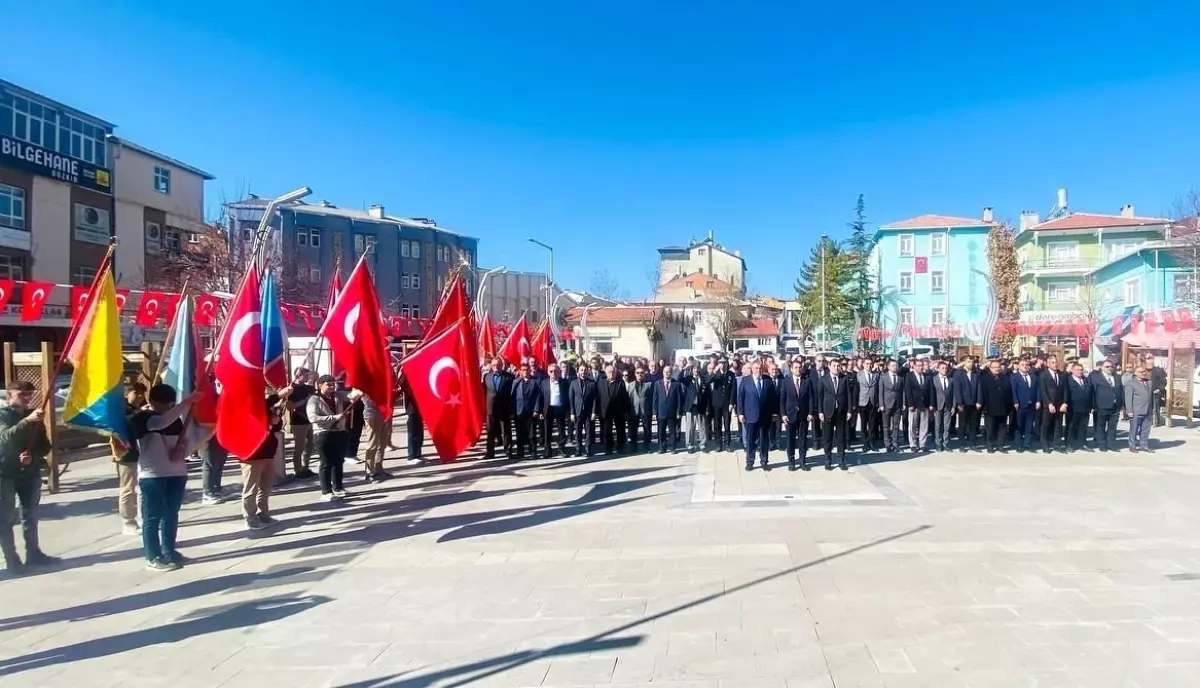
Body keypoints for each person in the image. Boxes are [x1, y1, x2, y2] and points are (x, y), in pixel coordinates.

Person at [130, 383, 196, 571]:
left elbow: (185, 439)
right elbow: (160, 423)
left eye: (170, 404)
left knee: (171, 514)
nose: (167, 407)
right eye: (163, 403)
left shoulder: (174, 419)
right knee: (152, 517)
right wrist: (186, 403)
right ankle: (153, 555)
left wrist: (183, 449)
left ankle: (169, 551)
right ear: (152, 402)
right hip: (153, 475)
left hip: (176, 472)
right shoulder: (143, 418)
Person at [0, 381, 53, 576]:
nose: (27, 398)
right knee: (5, 519)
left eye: (30, 394)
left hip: (29, 473)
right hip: (5, 473)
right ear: (9, 396)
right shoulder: (3, 415)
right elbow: (5, 438)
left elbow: (45, 445)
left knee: (30, 515)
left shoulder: (33, 416)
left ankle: (34, 553)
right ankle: (11, 559)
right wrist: (27, 421)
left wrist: (34, 455)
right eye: (22, 394)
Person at [242, 391, 291, 530]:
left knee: (266, 486)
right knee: (251, 487)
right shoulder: (248, 408)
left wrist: (274, 419)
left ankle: (263, 514)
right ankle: (250, 517)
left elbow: (275, 427)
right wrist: (279, 395)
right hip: (252, 454)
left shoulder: (267, 408)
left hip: (268, 452)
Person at [307, 375, 357, 501]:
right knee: (326, 463)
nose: (331, 387)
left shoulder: (337, 396)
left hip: (339, 432)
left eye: (332, 384)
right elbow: (313, 418)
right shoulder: (314, 399)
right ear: (320, 385)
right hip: (323, 433)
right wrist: (334, 418)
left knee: (339, 461)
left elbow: (352, 395)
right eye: (328, 385)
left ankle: (338, 487)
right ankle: (326, 491)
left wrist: (360, 388)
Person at [114, 382, 147, 535]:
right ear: (127, 394)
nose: (140, 396)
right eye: (136, 393)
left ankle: (142, 517)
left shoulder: (137, 409)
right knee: (128, 488)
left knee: (141, 487)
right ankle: (128, 522)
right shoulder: (122, 409)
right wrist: (138, 413)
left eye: (142, 393)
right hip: (126, 452)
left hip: (142, 451)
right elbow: (120, 423)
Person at [736, 360, 775, 471]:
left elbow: (773, 398)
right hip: (750, 415)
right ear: (752, 369)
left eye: (760, 368)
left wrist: (774, 413)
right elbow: (740, 398)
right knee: (751, 440)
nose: (758, 370)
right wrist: (740, 413)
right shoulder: (745, 381)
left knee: (764, 440)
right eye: (756, 368)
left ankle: (764, 461)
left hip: (765, 416)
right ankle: (750, 461)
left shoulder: (768, 380)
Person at [817, 359, 854, 470]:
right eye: (834, 365)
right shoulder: (823, 380)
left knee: (841, 438)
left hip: (841, 413)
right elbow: (820, 397)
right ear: (829, 366)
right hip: (828, 412)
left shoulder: (844, 379)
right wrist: (820, 412)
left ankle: (841, 460)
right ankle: (828, 459)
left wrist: (849, 411)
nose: (836, 368)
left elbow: (848, 395)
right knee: (827, 438)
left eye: (838, 366)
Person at [781, 360, 815, 470]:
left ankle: (802, 461)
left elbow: (811, 398)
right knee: (790, 439)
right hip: (790, 415)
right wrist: (783, 414)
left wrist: (810, 413)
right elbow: (782, 399)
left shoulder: (807, 381)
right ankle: (791, 461)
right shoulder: (786, 382)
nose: (798, 369)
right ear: (791, 369)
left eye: (800, 367)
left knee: (803, 439)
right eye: (796, 367)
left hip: (803, 415)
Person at [287, 368, 317, 480]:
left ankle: (306, 468)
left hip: (310, 419)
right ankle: (298, 470)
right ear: (299, 375)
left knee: (310, 445)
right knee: (299, 447)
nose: (308, 377)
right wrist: (305, 400)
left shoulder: (309, 388)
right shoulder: (291, 389)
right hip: (299, 420)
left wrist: (316, 379)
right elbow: (290, 407)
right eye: (306, 375)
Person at [482, 357, 514, 459]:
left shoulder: (509, 377)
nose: (496, 367)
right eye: (494, 365)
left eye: (498, 365)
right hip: (491, 409)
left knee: (506, 431)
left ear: (502, 366)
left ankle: (508, 451)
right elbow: (483, 392)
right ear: (491, 365)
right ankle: (490, 452)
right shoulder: (487, 377)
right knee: (490, 431)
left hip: (504, 408)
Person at [979, 360, 1013, 453]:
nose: (997, 369)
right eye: (995, 367)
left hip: (1003, 407)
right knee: (990, 428)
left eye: (998, 367)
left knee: (1002, 427)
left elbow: (1009, 391)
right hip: (990, 407)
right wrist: (982, 406)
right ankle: (990, 445)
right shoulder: (985, 378)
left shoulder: (1005, 378)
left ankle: (1000, 445)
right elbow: (982, 393)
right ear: (990, 368)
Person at [1089, 360, 1123, 452]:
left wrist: (1122, 404)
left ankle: (1111, 444)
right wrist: (1093, 405)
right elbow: (1092, 392)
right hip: (1101, 405)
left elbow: (1121, 391)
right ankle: (1102, 444)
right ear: (1102, 368)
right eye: (1107, 367)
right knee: (1101, 426)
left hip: (1115, 406)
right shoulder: (1095, 377)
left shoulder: (1117, 377)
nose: (1109, 368)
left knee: (1112, 427)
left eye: (1111, 366)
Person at [1037, 356, 1069, 454]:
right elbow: (1043, 391)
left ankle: (1057, 444)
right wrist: (1049, 403)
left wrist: (1065, 403)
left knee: (1058, 425)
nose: (1055, 364)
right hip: (1048, 405)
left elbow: (1065, 390)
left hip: (1059, 404)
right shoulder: (1043, 375)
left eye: (1056, 362)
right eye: (1053, 362)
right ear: (1048, 364)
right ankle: (1045, 444)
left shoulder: (1061, 375)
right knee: (1045, 425)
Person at [511, 362, 542, 459]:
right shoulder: (516, 382)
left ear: (530, 370)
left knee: (532, 433)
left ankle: (533, 451)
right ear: (520, 371)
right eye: (523, 370)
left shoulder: (535, 381)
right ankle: (520, 452)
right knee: (519, 433)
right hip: (519, 411)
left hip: (531, 411)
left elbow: (538, 397)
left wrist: (536, 410)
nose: (525, 372)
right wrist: (512, 412)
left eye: (527, 370)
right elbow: (512, 397)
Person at [539, 364, 570, 458]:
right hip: (549, 409)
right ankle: (547, 451)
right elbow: (540, 398)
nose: (553, 373)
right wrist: (540, 411)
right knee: (547, 431)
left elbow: (568, 397)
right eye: (551, 371)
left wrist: (569, 411)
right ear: (548, 372)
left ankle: (561, 449)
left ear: (559, 372)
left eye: (556, 371)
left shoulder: (564, 383)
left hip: (560, 409)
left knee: (561, 430)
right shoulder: (544, 383)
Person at [597, 363, 629, 454]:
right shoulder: (601, 383)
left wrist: (626, 411)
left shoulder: (620, 383)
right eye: (609, 372)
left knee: (620, 430)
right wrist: (597, 411)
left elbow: (625, 398)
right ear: (606, 373)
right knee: (607, 430)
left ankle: (620, 447)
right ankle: (608, 448)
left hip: (618, 411)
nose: (611, 374)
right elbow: (598, 397)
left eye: (613, 372)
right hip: (606, 411)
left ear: (616, 373)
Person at [568, 363, 599, 457]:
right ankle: (578, 449)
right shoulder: (573, 383)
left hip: (589, 412)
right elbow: (571, 399)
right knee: (578, 432)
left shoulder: (592, 383)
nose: (583, 372)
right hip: (577, 411)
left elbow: (595, 398)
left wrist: (594, 412)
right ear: (578, 371)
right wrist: (572, 413)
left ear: (588, 371)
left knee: (588, 432)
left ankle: (588, 449)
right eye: (581, 370)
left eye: (585, 370)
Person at [952, 357, 983, 452]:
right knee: (962, 424)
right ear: (963, 363)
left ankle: (973, 443)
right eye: (968, 362)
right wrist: (960, 403)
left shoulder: (976, 373)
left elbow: (979, 388)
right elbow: (957, 389)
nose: (971, 364)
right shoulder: (958, 373)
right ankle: (962, 444)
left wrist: (979, 401)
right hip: (963, 404)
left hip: (974, 403)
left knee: (973, 424)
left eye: (972, 362)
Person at [360, 394, 391, 482]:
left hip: (384, 413)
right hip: (372, 415)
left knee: (382, 443)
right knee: (372, 444)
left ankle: (379, 468)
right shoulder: (366, 385)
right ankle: (369, 472)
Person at [652, 364, 683, 454]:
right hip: (661, 412)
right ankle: (662, 447)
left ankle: (673, 448)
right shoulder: (658, 383)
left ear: (671, 373)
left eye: (669, 372)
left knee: (672, 431)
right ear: (663, 373)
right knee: (661, 431)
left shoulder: (676, 384)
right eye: (665, 372)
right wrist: (654, 412)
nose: (667, 374)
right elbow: (655, 398)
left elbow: (679, 399)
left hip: (672, 412)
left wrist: (678, 412)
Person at [1010, 359, 1039, 453]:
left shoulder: (1033, 376)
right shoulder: (1014, 377)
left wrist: (1038, 401)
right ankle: (1019, 444)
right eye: (1022, 365)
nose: (1025, 366)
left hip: (1031, 405)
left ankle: (1027, 443)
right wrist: (1015, 401)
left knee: (1029, 425)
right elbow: (1013, 391)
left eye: (1027, 365)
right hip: (1020, 405)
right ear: (1018, 366)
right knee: (1019, 425)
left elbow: (1037, 389)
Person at [904, 359, 932, 452]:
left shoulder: (927, 376)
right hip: (914, 405)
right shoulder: (909, 376)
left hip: (925, 405)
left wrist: (931, 403)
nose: (921, 367)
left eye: (922, 365)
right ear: (914, 366)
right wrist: (910, 404)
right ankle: (913, 444)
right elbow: (908, 391)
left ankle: (922, 444)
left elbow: (930, 391)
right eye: (919, 365)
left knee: (924, 426)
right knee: (913, 426)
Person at [877, 360, 905, 453]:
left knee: (896, 425)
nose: (895, 367)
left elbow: (903, 392)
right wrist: (881, 404)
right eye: (893, 365)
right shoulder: (883, 377)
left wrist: (903, 403)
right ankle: (887, 444)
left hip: (898, 404)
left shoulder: (900, 378)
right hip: (886, 404)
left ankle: (895, 443)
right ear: (888, 367)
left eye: (896, 365)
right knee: (886, 426)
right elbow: (880, 392)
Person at [1125, 366, 1154, 453]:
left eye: (1144, 371)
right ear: (1135, 373)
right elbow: (1128, 398)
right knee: (1134, 429)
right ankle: (1132, 445)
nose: (1143, 373)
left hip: (1148, 410)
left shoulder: (1149, 382)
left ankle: (1143, 445)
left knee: (1146, 429)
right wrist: (1129, 411)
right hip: (1136, 410)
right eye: (1141, 372)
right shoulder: (1131, 383)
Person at [1065, 362, 1092, 452]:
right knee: (1071, 427)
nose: (1080, 372)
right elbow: (1066, 394)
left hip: (1085, 408)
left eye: (1081, 370)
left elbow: (1091, 393)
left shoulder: (1086, 380)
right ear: (1072, 370)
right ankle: (1069, 444)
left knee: (1083, 427)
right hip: (1073, 408)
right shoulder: (1068, 380)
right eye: (1078, 370)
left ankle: (1082, 443)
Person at [681, 363, 708, 453]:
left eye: (697, 369)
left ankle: (702, 444)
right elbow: (679, 379)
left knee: (702, 426)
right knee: (690, 427)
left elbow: (706, 394)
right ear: (692, 370)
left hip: (700, 406)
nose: (696, 371)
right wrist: (684, 368)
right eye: (694, 369)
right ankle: (690, 445)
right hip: (690, 406)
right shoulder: (688, 379)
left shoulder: (703, 379)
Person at [625, 367, 653, 453]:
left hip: (646, 410)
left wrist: (653, 411)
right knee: (633, 430)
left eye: (641, 373)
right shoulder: (631, 385)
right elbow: (628, 399)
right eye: (637, 373)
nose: (640, 374)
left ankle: (647, 447)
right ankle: (633, 448)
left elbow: (652, 398)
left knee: (647, 429)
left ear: (644, 374)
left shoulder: (649, 384)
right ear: (635, 374)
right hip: (634, 410)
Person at [854, 358, 878, 453]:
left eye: (870, 364)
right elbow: (856, 390)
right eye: (867, 364)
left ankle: (871, 442)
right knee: (863, 424)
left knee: (872, 424)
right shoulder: (858, 375)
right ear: (863, 365)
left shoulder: (875, 375)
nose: (869, 366)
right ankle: (865, 443)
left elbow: (877, 390)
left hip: (872, 402)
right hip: (862, 402)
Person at [931, 361, 955, 452]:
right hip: (938, 406)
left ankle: (946, 443)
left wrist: (953, 406)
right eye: (942, 368)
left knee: (947, 426)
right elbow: (932, 393)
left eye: (946, 368)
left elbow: (954, 394)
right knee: (937, 426)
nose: (945, 370)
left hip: (948, 406)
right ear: (938, 369)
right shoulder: (934, 379)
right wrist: (932, 406)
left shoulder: (951, 379)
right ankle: (938, 443)